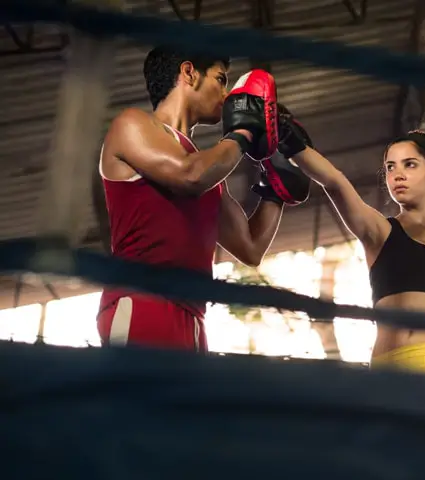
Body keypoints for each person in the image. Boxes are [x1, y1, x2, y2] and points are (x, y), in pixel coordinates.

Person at [96, 47, 310, 352]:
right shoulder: (131, 125)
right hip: (143, 303)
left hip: (193, 319)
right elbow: (189, 176)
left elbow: (250, 248)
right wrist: (243, 133)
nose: (225, 94)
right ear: (188, 72)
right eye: (221, 80)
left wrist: (277, 185)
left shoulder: (206, 169)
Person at [276, 106, 425, 379]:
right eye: (391, 167)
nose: (397, 174)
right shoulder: (380, 231)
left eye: (410, 164)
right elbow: (336, 183)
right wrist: (290, 141)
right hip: (390, 368)